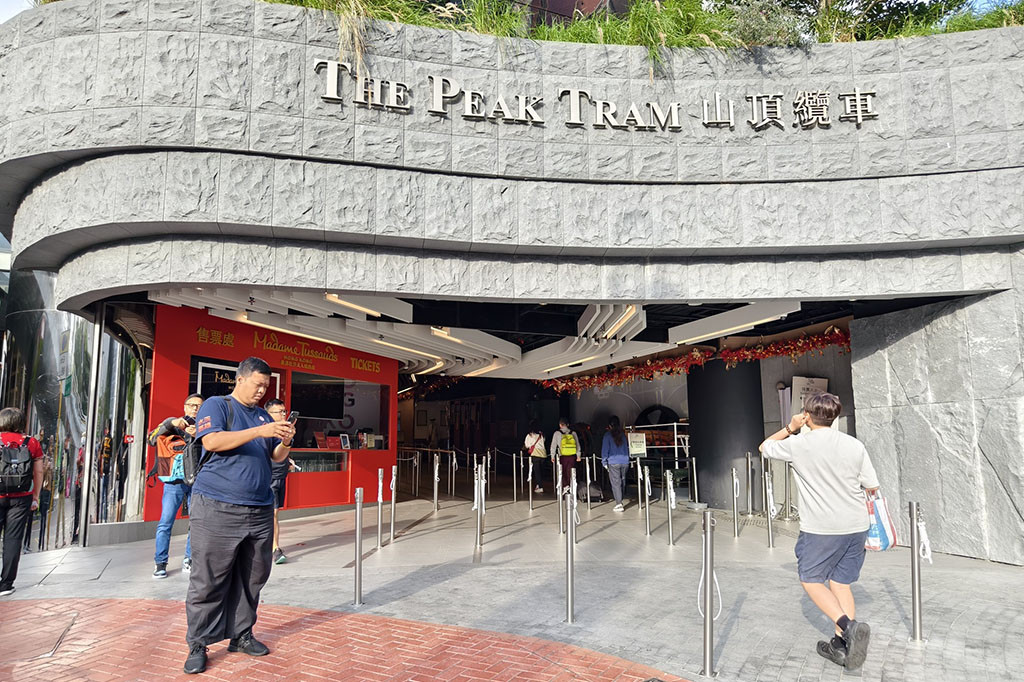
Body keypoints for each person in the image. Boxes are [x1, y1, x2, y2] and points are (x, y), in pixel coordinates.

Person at [184, 357, 295, 675]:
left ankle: (242, 635)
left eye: (266, 386)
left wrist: (285, 441)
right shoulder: (218, 405)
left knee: (253, 576)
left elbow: (274, 456)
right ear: (241, 379)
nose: (262, 390)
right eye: (258, 384)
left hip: (259, 507)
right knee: (209, 578)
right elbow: (212, 441)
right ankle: (198, 643)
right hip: (217, 505)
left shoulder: (262, 415)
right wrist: (261, 429)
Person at [759, 391, 879, 672]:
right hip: (856, 525)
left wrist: (791, 427)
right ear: (834, 416)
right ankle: (841, 647)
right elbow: (871, 486)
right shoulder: (854, 445)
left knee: (811, 580)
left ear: (808, 415)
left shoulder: (799, 444)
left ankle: (848, 628)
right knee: (840, 583)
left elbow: (765, 447)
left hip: (822, 528)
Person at [149, 393, 203, 578]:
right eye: (192, 405)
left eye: (199, 406)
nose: (195, 408)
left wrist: (200, 436)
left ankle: (189, 559)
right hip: (174, 482)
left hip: (196, 482)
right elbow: (151, 438)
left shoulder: (205, 427)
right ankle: (160, 562)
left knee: (195, 522)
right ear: (185, 406)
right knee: (165, 522)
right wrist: (172, 422)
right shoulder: (172, 425)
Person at [0, 407, 45, 597]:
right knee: (13, 539)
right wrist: (35, 495)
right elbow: (39, 472)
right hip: (21, 498)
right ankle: (6, 585)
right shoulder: (31, 443)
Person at [264, 399, 298, 565]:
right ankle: (275, 548)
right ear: (269, 414)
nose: (283, 415)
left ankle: (271, 546)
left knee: (275, 512)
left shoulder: (284, 432)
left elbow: (280, 452)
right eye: (279, 412)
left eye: (284, 411)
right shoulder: (266, 431)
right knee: (273, 513)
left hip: (280, 476)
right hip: (268, 477)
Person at [601, 415, 630, 512]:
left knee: (616, 483)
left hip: (613, 462)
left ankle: (619, 503)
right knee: (623, 480)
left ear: (609, 425)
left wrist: (604, 462)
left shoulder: (607, 435)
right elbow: (627, 448)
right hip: (625, 461)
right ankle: (620, 498)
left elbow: (605, 450)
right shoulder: (623, 434)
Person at [549, 418, 581, 494]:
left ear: (560, 425)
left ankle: (566, 486)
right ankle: (571, 486)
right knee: (571, 472)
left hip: (562, 456)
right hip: (572, 456)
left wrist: (552, 456)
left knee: (562, 471)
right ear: (568, 425)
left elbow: (553, 446)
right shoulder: (573, 433)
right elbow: (577, 445)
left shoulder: (557, 433)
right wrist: (578, 455)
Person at [523, 421, 547, 493]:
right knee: (541, 471)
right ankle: (539, 485)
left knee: (537, 472)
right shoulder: (541, 434)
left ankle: (540, 486)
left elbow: (527, 445)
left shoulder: (530, 435)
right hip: (543, 454)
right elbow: (544, 441)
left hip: (535, 454)